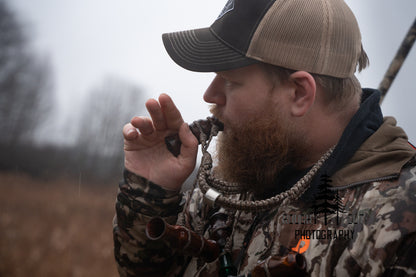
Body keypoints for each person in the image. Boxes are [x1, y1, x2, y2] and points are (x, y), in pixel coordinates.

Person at [113, 0, 416, 276]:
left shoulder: (399, 219)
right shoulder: (236, 178)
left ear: (299, 93)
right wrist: (150, 196)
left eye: (230, 80)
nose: (210, 95)